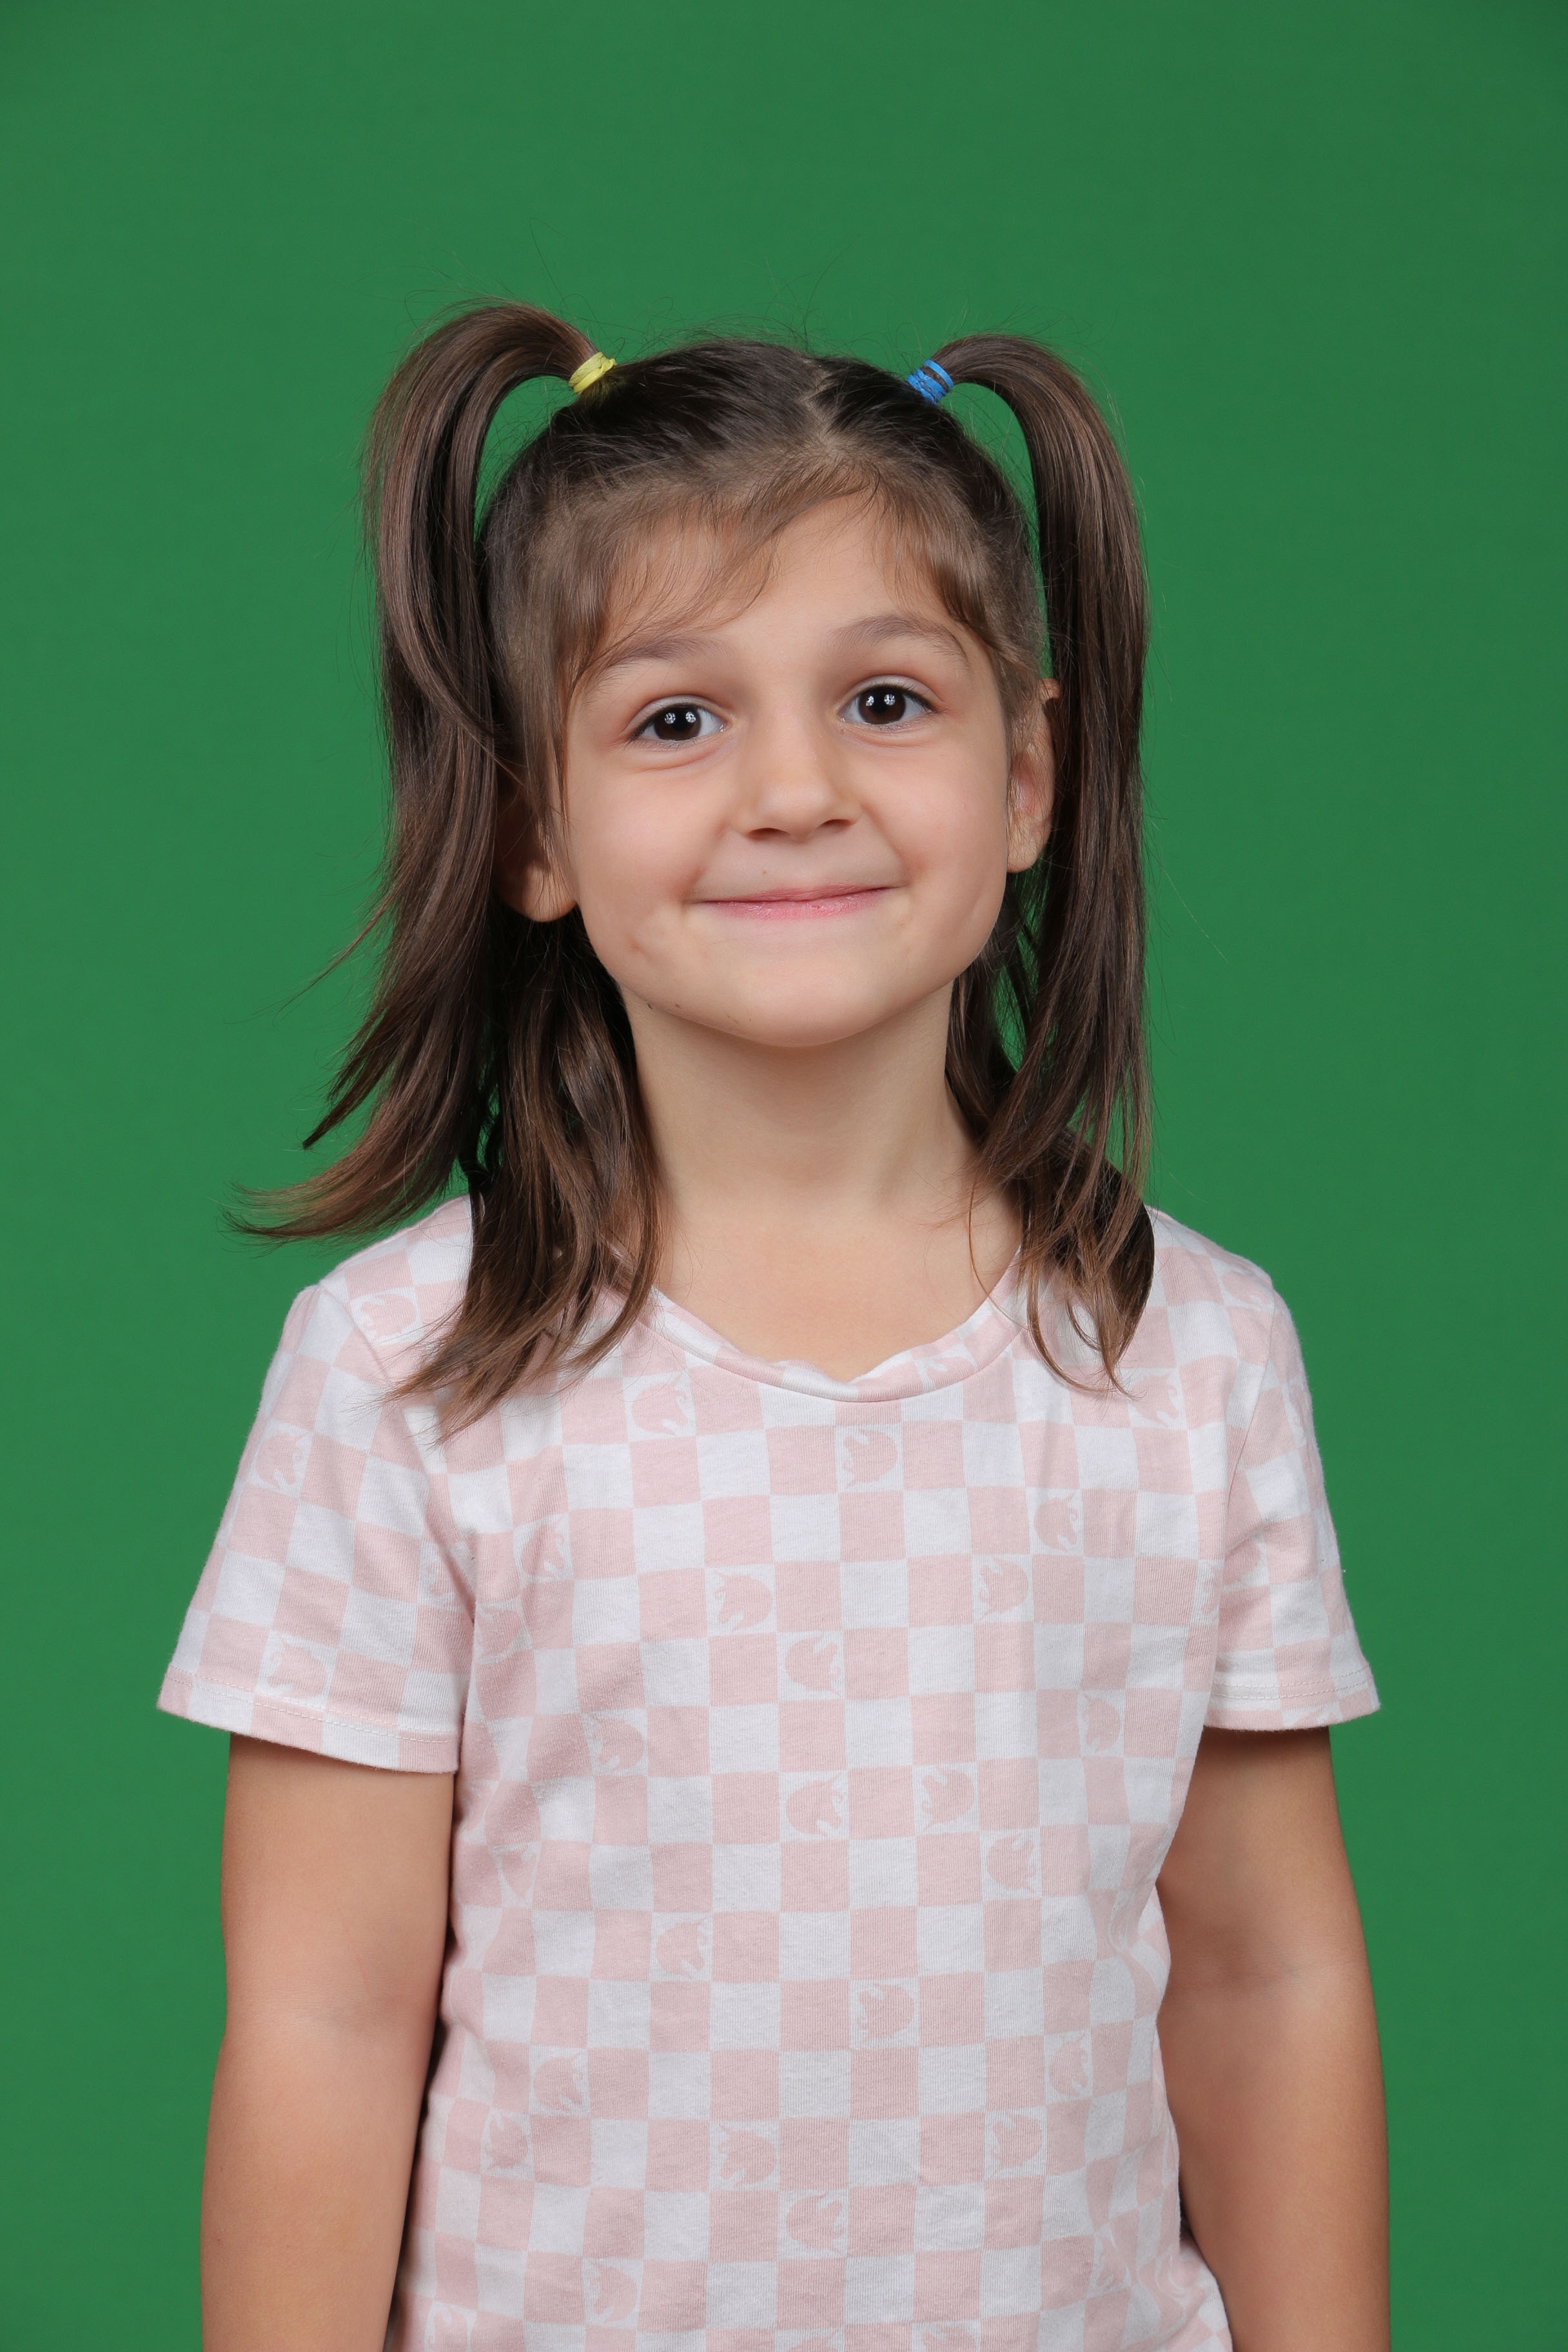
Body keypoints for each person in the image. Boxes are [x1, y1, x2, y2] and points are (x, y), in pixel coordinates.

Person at [160, 307, 1387, 2352]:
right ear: (532, 826)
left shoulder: (1195, 1358)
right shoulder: (403, 1373)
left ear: (1029, 775)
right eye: (674, 720)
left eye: (886, 699)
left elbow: (1268, 1975)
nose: (794, 789)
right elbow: (323, 2015)